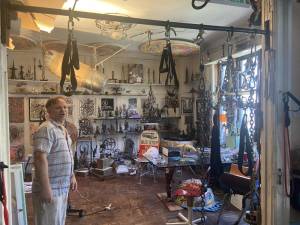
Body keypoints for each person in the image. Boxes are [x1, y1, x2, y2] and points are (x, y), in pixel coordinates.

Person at [32, 96, 77, 225]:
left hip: (62, 187)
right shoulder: (46, 129)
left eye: (65, 107)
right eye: (58, 107)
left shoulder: (62, 129)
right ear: (49, 111)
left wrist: (72, 175)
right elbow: (40, 159)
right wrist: (45, 188)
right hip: (50, 188)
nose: (63, 110)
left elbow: (68, 154)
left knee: (58, 222)